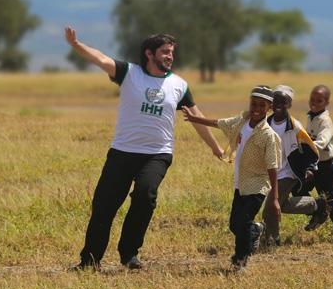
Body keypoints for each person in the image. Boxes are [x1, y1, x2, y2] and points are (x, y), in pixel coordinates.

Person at [65, 26, 223, 271]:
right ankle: (90, 261)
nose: (170, 56)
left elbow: (196, 117)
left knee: (145, 196)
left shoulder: (179, 85)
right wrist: (77, 45)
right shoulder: (130, 73)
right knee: (104, 206)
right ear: (149, 54)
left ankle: (129, 254)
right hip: (123, 152)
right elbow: (101, 59)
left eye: (171, 52)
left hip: (157, 153)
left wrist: (216, 147)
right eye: (165, 52)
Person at [183, 86, 281, 269]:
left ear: (269, 108)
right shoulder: (241, 122)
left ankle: (240, 262)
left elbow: (272, 167)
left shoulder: (268, 136)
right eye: (254, 104)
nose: (256, 108)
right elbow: (218, 123)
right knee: (235, 226)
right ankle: (256, 229)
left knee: (242, 223)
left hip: (258, 186)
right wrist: (194, 118)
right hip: (241, 184)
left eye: (262, 105)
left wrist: (275, 198)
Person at [262, 85, 324, 246]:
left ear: (289, 104)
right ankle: (315, 205)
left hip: (289, 172)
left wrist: (310, 168)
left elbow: (312, 149)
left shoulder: (295, 126)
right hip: (272, 171)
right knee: (282, 205)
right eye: (275, 101)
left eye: (283, 102)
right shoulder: (265, 123)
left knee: (270, 205)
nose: (278, 105)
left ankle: (272, 240)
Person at [299, 84, 333, 235]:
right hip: (313, 164)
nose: (314, 102)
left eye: (319, 100)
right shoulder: (310, 116)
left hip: (327, 165)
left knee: (330, 200)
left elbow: (321, 142)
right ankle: (318, 212)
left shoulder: (325, 121)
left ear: (327, 103)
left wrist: (304, 145)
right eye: (312, 99)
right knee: (298, 188)